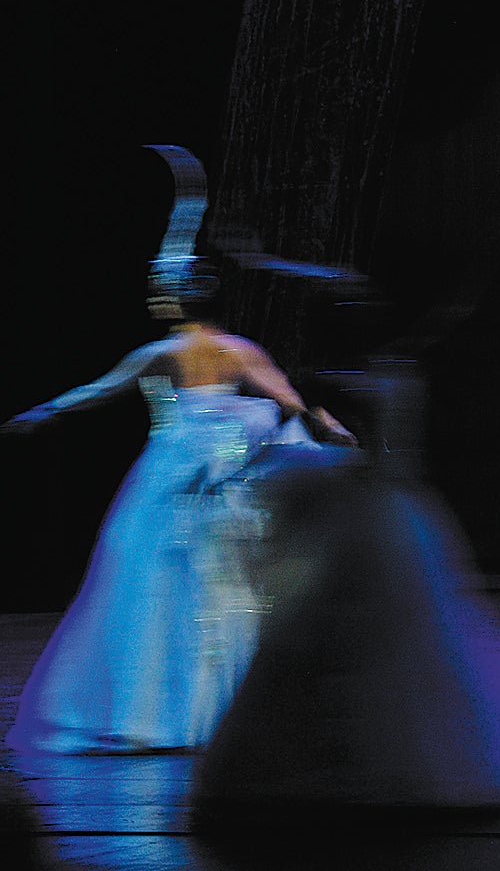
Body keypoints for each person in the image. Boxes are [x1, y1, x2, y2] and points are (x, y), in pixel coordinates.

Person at [5, 146, 350, 754]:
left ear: (172, 299)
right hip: (224, 478)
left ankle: (161, 711)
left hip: (175, 478)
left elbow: (99, 391)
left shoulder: (161, 352)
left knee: (158, 590)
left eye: (158, 292)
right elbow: (291, 401)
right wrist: (327, 428)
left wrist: (45, 412)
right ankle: (226, 710)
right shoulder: (241, 350)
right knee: (224, 591)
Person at [190, 265, 500, 824]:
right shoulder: (378, 372)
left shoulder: (365, 377)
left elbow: (348, 434)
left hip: (371, 511)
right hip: (374, 510)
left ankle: (345, 759)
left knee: (349, 629)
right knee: (335, 629)